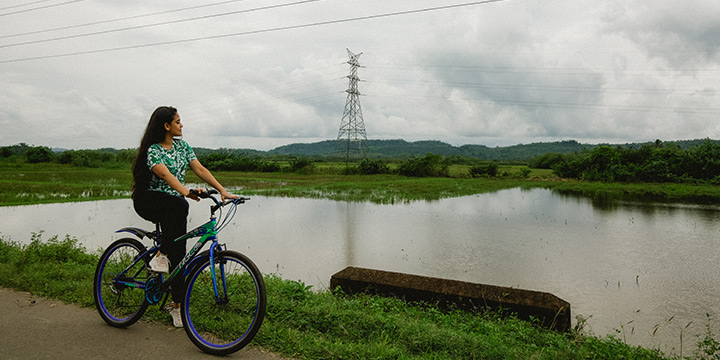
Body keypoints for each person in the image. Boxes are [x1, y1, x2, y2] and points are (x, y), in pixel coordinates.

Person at [131, 106, 236, 327]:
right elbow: (164, 174)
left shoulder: (182, 146)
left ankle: (176, 307)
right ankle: (160, 254)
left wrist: (222, 190)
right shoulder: (153, 150)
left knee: (181, 255)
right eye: (178, 122)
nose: (182, 125)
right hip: (148, 200)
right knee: (179, 204)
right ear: (166, 126)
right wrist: (186, 191)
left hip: (173, 205)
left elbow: (200, 169)